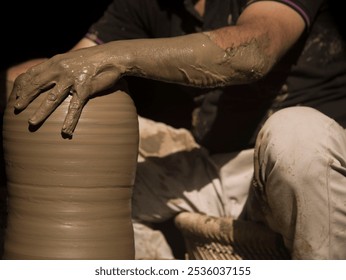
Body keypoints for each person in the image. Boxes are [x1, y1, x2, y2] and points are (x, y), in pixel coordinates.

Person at [3, 0, 346, 259]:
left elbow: (252, 52)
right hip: (212, 166)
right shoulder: (147, 3)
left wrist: (115, 57)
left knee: (297, 136)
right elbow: (72, 66)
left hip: (300, 172)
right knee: (81, 179)